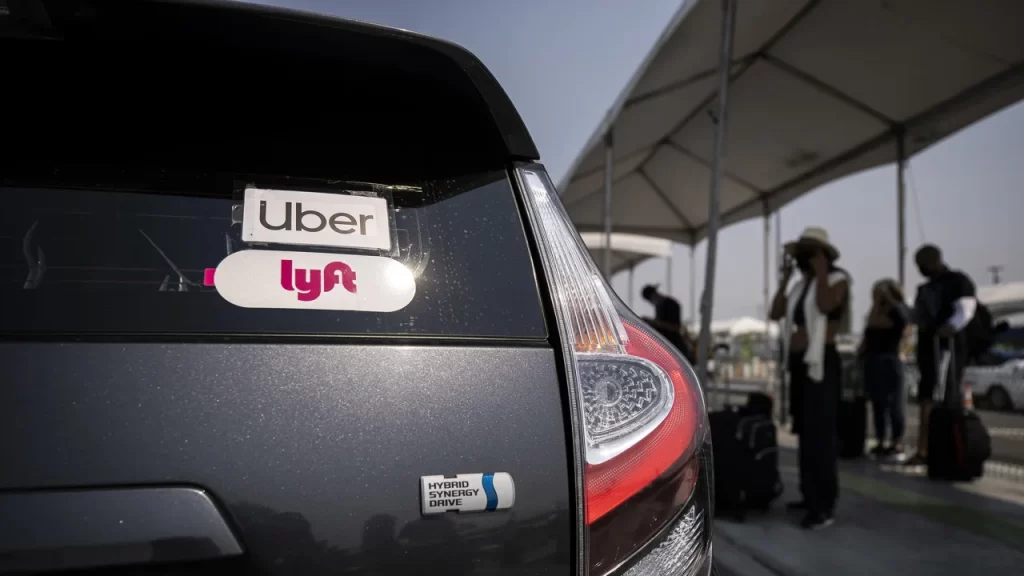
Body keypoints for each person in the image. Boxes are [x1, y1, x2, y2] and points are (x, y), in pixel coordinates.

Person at [769, 227, 851, 530]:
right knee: (805, 431)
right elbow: (775, 312)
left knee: (821, 435)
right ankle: (809, 494)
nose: (804, 258)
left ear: (823, 255)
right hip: (800, 364)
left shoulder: (837, 279)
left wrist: (821, 272)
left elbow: (825, 305)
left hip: (821, 363)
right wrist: (784, 280)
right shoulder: (800, 286)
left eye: (810, 252)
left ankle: (824, 503)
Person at [903, 244, 977, 467]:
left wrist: (950, 327)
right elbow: (917, 317)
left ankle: (944, 449)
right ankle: (924, 449)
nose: (920, 270)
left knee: (946, 395)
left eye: (922, 265)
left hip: (949, 347)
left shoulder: (957, 281)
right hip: (929, 348)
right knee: (927, 396)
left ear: (933, 261)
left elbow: (966, 309)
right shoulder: (925, 288)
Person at [858, 279, 910, 458]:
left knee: (895, 403)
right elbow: (869, 328)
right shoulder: (875, 311)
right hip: (872, 359)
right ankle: (881, 439)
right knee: (877, 403)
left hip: (890, 359)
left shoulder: (898, 312)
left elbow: (894, 323)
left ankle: (897, 441)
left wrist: (887, 298)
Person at [641, 284, 694, 362]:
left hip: (675, 347)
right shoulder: (659, 306)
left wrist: (654, 323)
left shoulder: (671, 304)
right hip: (666, 347)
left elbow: (675, 327)